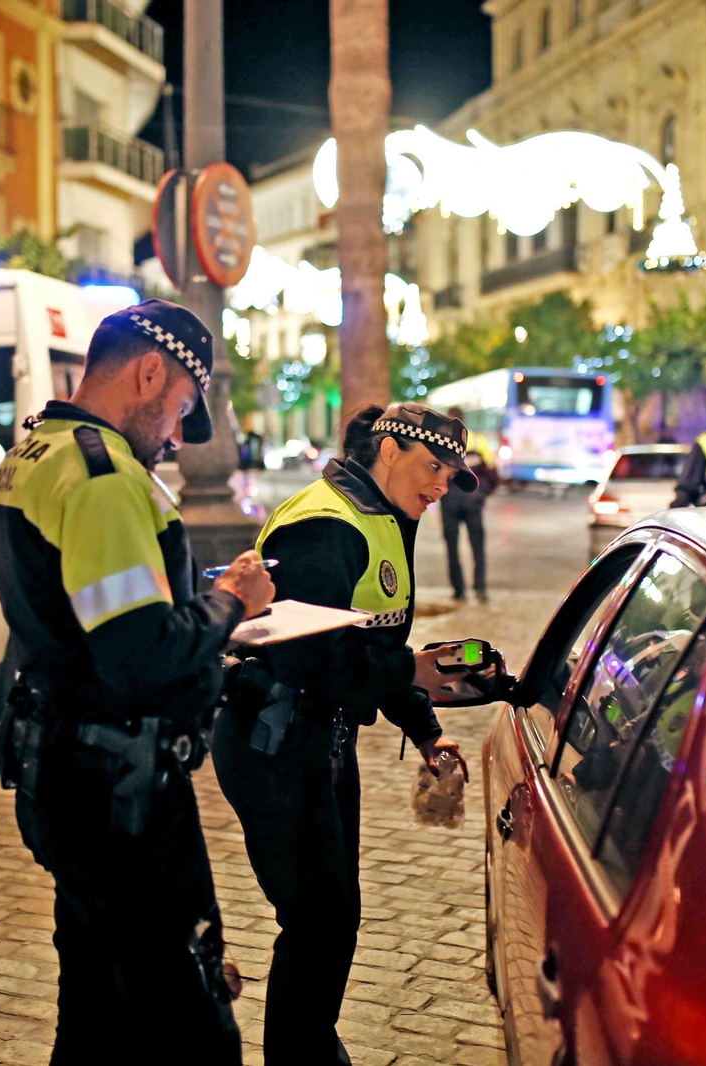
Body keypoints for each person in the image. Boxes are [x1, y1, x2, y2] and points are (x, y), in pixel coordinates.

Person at [0, 299, 276, 1065]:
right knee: (191, 1029)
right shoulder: (104, 475)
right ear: (149, 372)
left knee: (95, 1016)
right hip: (123, 797)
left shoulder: (32, 454)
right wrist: (231, 603)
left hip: (66, 776)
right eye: (180, 408)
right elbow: (140, 650)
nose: (176, 436)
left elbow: (92, 616)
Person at [212, 402, 476, 1065]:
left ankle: (308, 1050)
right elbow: (309, 659)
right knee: (317, 918)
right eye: (433, 467)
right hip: (274, 743)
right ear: (388, 450)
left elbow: (375, 642)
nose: (441, 485)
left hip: (322, 742)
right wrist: (410, 672)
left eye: (451, 475)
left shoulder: (383, 515)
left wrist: (424, 728)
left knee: (332, 916)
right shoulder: (326, 525)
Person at [439, 405, 500, 604]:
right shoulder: (478, 440)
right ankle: (480, 589)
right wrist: (484, 493)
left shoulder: (441, 443)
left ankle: (459, 592)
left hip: (449, 502)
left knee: (452, 547)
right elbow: (492, 471)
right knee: (478, 547)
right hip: (473, 500)